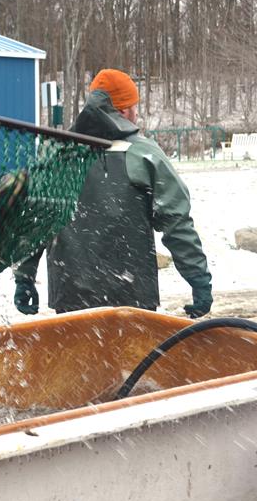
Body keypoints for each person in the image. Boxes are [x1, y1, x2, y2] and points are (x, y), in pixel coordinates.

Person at [13, 69, 212, 318]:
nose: (135, 113)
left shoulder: (57, 152)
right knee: (135, 358)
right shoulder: (143, 153)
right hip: (132, 297)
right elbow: (176, 222)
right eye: (133, 106)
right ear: (124, 111)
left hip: (71, 297)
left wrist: (24, 278)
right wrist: (198, 279)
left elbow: (35, 221)